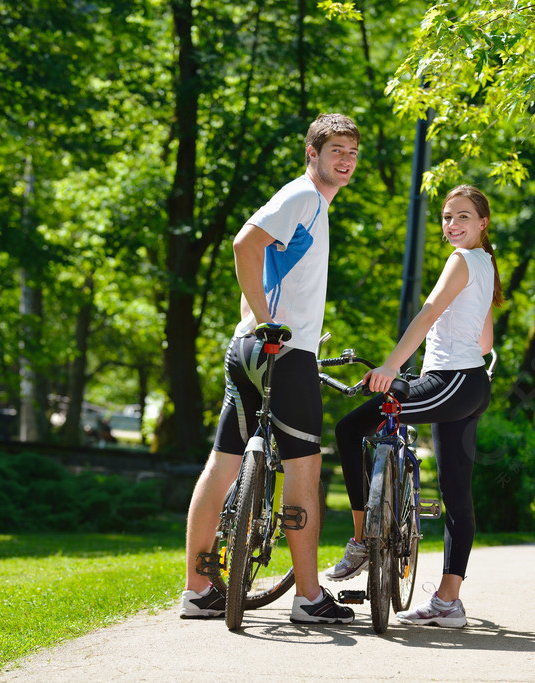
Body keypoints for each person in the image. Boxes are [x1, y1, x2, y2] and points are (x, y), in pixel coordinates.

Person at [179, 113, 361, 624]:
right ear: (312, 154)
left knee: (223, 462)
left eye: (351, 153)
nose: (344, 161)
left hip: (246, 350)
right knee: (305, 467)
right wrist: (269, 321)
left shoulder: (314, 206)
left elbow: (263, 260)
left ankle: (197, 591)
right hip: (282, 350)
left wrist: (257, 322)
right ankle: (308, 598)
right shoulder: (302, 197)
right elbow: (244, 243)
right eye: (335, 152)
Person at [325, 184, 504, 628]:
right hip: (468, 383)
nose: (452, 224)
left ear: (482, 223)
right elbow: (486, 341)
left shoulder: (461, 260)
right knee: (456, 494)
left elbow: (427, 312)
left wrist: (388, 367)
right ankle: (447, 602)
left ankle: (363, 539)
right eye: (447, 217)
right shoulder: (485, 263)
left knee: (349, 430)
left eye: (463, 216)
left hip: (451, 382)